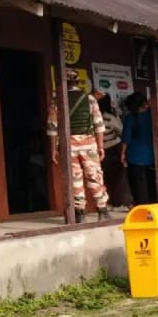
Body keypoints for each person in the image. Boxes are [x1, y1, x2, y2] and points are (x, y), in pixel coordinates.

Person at [48, 70, 110, 223]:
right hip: (89, 145)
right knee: (94, 176)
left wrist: (53, 149)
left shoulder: (56, 101)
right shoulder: (89, 99)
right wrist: (101, 146)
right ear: (76, 82)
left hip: (68, 146)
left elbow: (52, 127)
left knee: (75, 180)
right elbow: (99, 124)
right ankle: (102, 210)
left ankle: (80, 213)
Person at [121, 93, 157, 206]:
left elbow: (126, 138)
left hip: (134, 155)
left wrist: (122, 153)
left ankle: (141, 206)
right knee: (152, 181)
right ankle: (154, 205)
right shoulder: (153, 115)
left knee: (137, 184)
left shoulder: (130, 118)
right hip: (151, 154)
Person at [98, 95, 129, 209]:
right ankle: (118, 202)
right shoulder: (110, 117)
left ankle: (109, 202)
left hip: (100, 151)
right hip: (114, 149)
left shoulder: (93, 117)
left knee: (105, 177)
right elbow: (121, 131)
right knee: (118, 177)